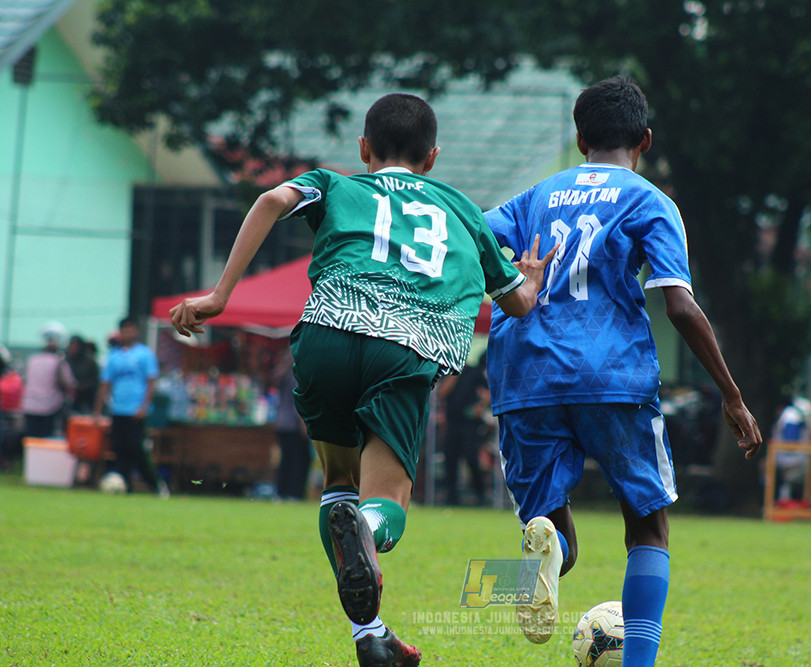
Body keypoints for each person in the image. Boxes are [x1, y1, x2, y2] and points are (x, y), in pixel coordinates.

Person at [168, 93, 554, 667]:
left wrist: (220, 295)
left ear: (364, 148)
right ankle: (369, 531)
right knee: (385, 502)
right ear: (433, 156)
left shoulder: (337, 183)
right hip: (408, 345)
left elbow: (272, 198)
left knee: (338, 484)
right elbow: (519, 305)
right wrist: (531, 276)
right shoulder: (462, 210)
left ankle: (369, 636)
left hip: (327, 331)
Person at [484, 77, 761, 665]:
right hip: (611, 374)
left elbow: (473, 241)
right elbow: (679, 305)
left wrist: (516, 284)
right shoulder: (650, 201)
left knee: (556, 536)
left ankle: (549, 546)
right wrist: (732, 397)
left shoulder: (534, 196)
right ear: (646, 139)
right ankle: (637, 661)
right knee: (648, 529)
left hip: (524, 372)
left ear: (579, 137)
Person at [93, 317, 169, 498]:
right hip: (118, 409)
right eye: (124, 330)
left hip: (136, 411)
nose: (128, 333)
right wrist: (97, 411)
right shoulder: (113, 356)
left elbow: (151, 382)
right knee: (119, 449)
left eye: (131, 329)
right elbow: (105, 384)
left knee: (136, 448)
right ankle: (125, 486)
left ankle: (156, 484)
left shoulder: (145, 354)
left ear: (136, 332)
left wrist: (144, 406)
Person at [440, 361, 492, 506]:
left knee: (471, 458)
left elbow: (488, 393)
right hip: (453, 422)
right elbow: (442, 393)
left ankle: (480, 495)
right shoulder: (449, 372)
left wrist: (480, 406)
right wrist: (454, 375)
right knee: (450, 459)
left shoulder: (474, 372)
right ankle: (451, 496)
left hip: (470, 423)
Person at [21, 322, 76, 438]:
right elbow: (68, 384)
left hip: (30, 405)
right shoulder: (59, 361)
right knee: (46, 439)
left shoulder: (32, 359)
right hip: (49, 407)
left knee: (31, 439)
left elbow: (25, 380)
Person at [274, 352, 313, 501]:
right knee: (300, 460)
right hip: (294, 424)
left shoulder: (283, 373)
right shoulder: (296, 374)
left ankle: (281, 491)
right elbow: (298, 402)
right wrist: (304, 425)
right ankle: (294, 493)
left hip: (282, 423)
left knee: (286, 460)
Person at [65, 335, 100, 414]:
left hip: (87, 400)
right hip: (69, 400)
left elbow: (95, 381)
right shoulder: (66, 361)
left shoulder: (90, 362)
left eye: (75, 345)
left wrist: (81, 386)